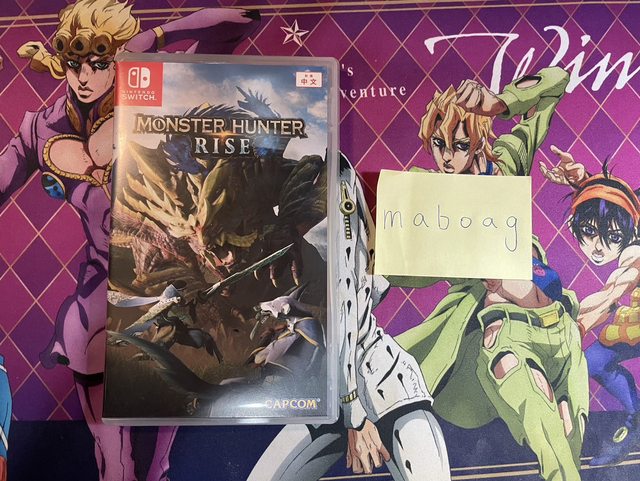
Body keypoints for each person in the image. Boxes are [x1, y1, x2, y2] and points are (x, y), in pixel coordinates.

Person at [0, 1, 259, 479]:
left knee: (159, 455)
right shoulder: (40, 129)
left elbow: (238, 24)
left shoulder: (153, 93)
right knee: (113, 457)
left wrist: (154, 39)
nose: (84, 76)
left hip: (170, 278)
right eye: (74, 62)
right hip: (101, 285)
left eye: (99, 63)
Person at [391, 67, 591, 481]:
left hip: (559, 326)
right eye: (439, 144)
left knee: (572, 438)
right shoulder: (428, 193)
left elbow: (555, 82)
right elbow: (399, 267)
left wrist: (500, 103)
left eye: (459, 145)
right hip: (503, 331)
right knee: (550, 444)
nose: (447, 157)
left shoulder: (507, 161)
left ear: (479, 139)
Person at [246, 154, 451, 481]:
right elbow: (354, 299)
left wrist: (354, 414)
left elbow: (347, 317)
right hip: (332, 393)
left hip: (384, 385)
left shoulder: (338, 230)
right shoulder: (318, 244)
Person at [541, 148, 640, 466]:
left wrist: (576, 327)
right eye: (589, 233)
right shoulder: (630, 220)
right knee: (595, 361)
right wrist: (583, 182)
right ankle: (637, 419)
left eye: (611, 237)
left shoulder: (633, 254)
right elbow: (621, 201)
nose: (598, 247)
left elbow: (613, 292)